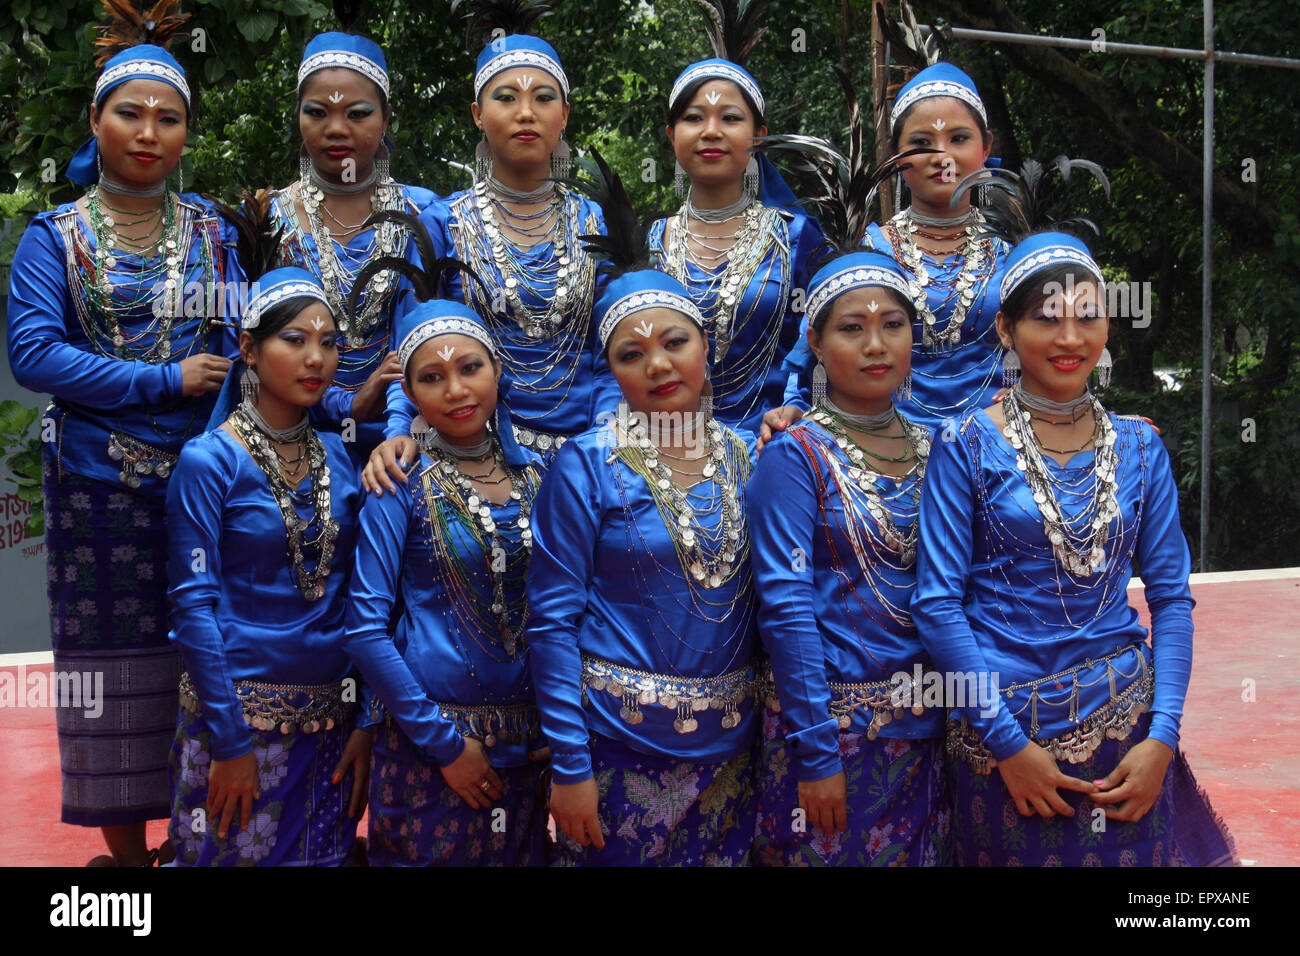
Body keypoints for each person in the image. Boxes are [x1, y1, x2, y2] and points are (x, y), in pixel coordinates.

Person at [913, 229, 1237, 866]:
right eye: (1045, 319)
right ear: (1005, 330)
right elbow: (937, 605)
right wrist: (1008, 747)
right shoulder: (967, 445)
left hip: (1127, 736)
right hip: (1005, 742)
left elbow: (1171, 600)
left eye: (1088, 317)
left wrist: (1162, 741)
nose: (1069, 339)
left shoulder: (1140, 446)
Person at [5, 3, 241, 866]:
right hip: (95, 484)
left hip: (204, 485)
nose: (148, 132)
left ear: (185, 131)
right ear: (96, 121)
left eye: (168, 117)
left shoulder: (215, 234)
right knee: (106, 667)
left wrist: (215, 449)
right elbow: (34, 354)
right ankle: (130, 862)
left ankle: (208, 840)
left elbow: (237, 350)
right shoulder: (53, 237)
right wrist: (161, 380)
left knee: (210, 652)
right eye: (129, 113)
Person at [525, 156, 759, 865]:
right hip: (614, 747)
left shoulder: (754, 456)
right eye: (632, 353)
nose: (657, 365)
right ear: (612, 370)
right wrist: (569, 766)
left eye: (674, 342)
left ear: (706, 347)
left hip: (731, 748)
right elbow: (550, 622)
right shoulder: (585, 464)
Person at [746, 107, 950, 866]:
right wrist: (817, 751)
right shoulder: (792, 455)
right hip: (827, 736)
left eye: (892, 325)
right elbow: (785, 605)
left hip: (929, 735)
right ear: (817, 345)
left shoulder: (944, 450)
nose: (874, 343)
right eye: (851, 328)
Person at [343, 254, 551, 866]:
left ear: (497, 370)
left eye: (470, 368)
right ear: (407, 393)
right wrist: (444, 746)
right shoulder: (398, 481)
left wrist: (565, 726)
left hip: (533, 751)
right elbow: (365, 628)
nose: (456, 390)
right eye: (432, 378)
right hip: (431, 753)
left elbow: (570, 613)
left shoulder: (543, 476)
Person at [165, 266, 375, 866]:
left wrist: (364, 721)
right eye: (295, 340)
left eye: (329, 342)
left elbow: (366, 600)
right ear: (249, 351)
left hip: (330, 725)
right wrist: (230, 743)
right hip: (234, 721)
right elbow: (193, 609)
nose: (316, 358)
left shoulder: (344, 456)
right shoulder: (209, 462)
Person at [364, 2, 611, 490]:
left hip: (590, 454)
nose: (525, 113)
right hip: (475, 457)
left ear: (564, 114)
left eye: (543, 98)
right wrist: (398, 432)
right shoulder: (442, 223)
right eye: (505, 97)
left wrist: (604, 437)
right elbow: (414, 343)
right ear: (478, 114)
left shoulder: (595, 220)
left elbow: (610, 349)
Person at [762, 59, 1009, 443]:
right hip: (887, 455)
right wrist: (796, 405)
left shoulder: (1012, 256)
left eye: (958, 139)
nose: (942, 155)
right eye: (922, 143)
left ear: (986, 146)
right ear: (895, 155)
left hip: (998, 451)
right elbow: (814, 354)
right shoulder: (866, 253)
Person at [266, 29, 439, 467]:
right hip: (289, 440)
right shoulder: (267, 221)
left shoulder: (424, 214)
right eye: (317, 112)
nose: (336, 129)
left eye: (358, 113)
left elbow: (422, 334)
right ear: (298, 115)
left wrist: (398, 431)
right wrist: (346, 405)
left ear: (385, 118)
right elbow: (250, 350)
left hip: (407, 435)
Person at [650, 0, 823, 436]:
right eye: (694, 118)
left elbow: (821, 339)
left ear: (759, 136)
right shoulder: (648, 242)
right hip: (661, 450)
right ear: (672, 136)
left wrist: (795, 408)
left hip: (771, 445)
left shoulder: (795, 237)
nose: (711, 131)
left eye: (730, 117)